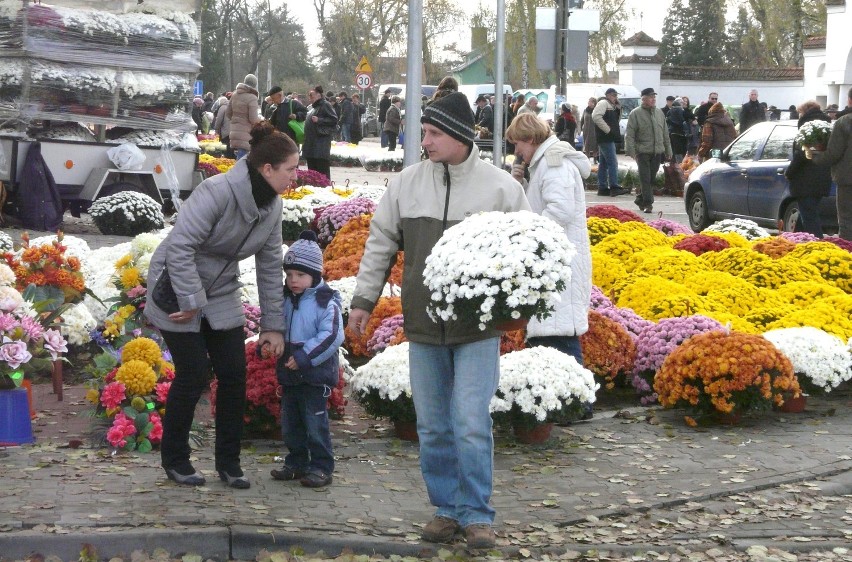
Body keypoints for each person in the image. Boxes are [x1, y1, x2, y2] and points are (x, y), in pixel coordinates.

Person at [347, 91, 530, 550]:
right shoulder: (406, 185)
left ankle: (476, 515)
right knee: (431, 424)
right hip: (424, 326)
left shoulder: (501, 188)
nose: (423, 141)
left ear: (460, 136)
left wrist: (519, 308)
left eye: (432, 133)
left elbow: (529, 249)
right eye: (423, 132)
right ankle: (446, 509)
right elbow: (380, 243)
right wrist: (363, 301)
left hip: (477, 330)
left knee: (469, 419)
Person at [144, 122, 294, 489]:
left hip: (222, 292)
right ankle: (175, 460)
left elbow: (271, 266)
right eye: (290, 169)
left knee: (232, 374)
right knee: (193, 373)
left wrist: (273, 326)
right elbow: (179, 247)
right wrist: (192, 300)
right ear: (267, 169)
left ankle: (229, 464)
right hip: (177, 287)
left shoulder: (272, 207)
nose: (295, 176)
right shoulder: (217, 191)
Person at [506, 112, 592, 365]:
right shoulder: (545, 163)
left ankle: (578, 401)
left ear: (531, 138)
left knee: (559, 337)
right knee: (551, 339)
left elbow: (560, 210)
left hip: (558, 266)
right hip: (553, 265)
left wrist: (530, 236)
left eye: (518, 144)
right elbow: (537, 204)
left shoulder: (554, 164)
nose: (517, 150)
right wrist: (518, 184)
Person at [269, 230, 344, 489]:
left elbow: (332, 335)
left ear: (315, 275)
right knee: (291, 422)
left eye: (300, 275)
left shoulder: (326, 302)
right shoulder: (286, 299)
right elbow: (274, 325)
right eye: (289, 275)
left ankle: (322, 467)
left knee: (315, 421)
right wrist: (267, 343)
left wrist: (304, 357)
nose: (293, 280)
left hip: (314, 373)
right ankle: (296, 462)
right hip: (290, 374)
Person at [785, 101, 832, 238]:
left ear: (804, 112)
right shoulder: (827, 128)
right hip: (822, 178)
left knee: (810, 218)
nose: (799, 116)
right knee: (806, 214)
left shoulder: (808, 128)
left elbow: (802, 154)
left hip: (805, 181)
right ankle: (796, 241)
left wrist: (789, 172)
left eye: (800, 113)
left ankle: (819, 246)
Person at [625, 87, 672, 214]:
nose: (653, 99)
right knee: (645, 178)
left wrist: (668, 150)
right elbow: (629, 134)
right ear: (643, 99)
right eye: (651, 97)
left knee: (651, 179)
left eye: (654, 97)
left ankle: (640, 199)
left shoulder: (659, 113)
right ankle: (648, 204)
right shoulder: (635, 113)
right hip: (642, 152)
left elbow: (665, 133)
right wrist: (631, 151)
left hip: (657, 152)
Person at [592, 88, 629, 197]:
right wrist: (607, 129)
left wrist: (618, 107)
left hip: (606, 137)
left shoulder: (610, 105)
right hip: (605, 137)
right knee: (612, 162)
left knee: (603, 164)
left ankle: (602, 187)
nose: (615, 97)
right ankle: (614, 186)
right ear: (607, 95)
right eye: (613, 95)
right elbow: (595, 116)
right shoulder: (603, 103)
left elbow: (615, 119)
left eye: (616, 95)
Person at [302, 85, 338, 182]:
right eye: (309, 96)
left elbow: (334, 119)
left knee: (322, 172)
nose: (310, 98)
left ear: (318, 95)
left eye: (311, 95)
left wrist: (319, 120)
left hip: (320, 146)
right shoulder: (314, 107)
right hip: (312, 146)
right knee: (312, 173)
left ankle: (324, 188)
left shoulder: (325, 105)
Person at [227, 74, 262, 160]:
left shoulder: (234, 95)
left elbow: (228, 113)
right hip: (247, 134)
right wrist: (261, 120)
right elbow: (253, 119)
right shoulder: (252, 97)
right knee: (243, 160)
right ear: (255, 85)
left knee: (240, 158)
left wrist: (237, 120)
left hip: (234, 132)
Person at [213, 93, 234, 159]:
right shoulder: (232, 106)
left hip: (225, 130)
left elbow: (219, 119)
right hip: (233, 130)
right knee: (231, 146)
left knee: (225, 145)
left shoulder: (222, 107)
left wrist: (216, 128)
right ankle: (232, 159)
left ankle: (227, 158)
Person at [580, 97, 598, 162]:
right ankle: (587, 159)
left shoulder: (597, 110)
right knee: (587, 145)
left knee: (595, 146)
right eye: (588, 101)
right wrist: (580, 128)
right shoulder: (585, 110)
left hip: (594, 131)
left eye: (590, 101)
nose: (588, 103)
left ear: (594, 103)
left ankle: (595, 159)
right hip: (586, 130)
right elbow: (582, 120)